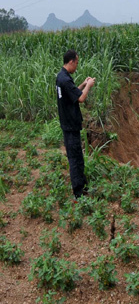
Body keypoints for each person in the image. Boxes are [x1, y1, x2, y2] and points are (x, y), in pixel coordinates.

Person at [56, 50, 95, 198]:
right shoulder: (65, 80)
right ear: (71, 61)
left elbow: (72, 94)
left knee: (77, 156)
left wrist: (83, 84)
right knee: (75, 159)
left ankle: (82, 186)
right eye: (76, 63)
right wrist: (89, 86)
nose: (77, 66)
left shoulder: (61, 77)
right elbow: (81, 99)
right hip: (70, 125)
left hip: (68, 123)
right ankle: (79, 193)